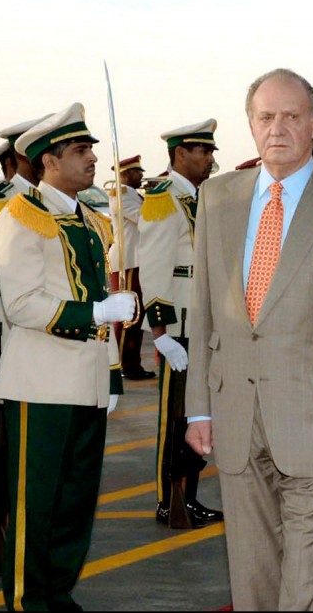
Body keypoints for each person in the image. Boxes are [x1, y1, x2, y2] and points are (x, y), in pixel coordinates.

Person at [184, 68, 313, 610]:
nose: (277, 128)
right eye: (266, 117)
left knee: (307, 578)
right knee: (251, 571)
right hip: (235, 416)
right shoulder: (216, 198)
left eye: (291, 117)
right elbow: (204, 312)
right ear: (251, 125)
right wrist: (198, 408)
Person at [0, 103, 135, 610]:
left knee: (75, 501)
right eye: (80, 150)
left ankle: (57, 593)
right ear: (49, 161)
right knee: (36, 503)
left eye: (91, 148)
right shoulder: (21, 216)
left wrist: (112, 375)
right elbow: (22, 303)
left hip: (87, 381)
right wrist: (96, 311)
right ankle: (28, 600)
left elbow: (99, 296)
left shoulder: (91, 220)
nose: (92, 158)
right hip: (42, 382)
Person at [139, 119, 222, 528]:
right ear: (180, 154)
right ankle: (167, 499)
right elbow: (153, 268)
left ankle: (189, 496)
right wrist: (161, 335)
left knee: (198, 415)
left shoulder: (201, 198)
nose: (210, 159)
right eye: (203, 151)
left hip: (204, 324)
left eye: (210, 151)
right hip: (180, 329)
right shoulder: (163, 199)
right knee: (174, 419)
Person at [0, 115, 50, 577]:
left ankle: (28, 545)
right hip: (1, 349)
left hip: (43, 349)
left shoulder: (53, 206)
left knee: (35, 456)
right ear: (18, 159)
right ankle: (0, 545)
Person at [107, 155, 155, 381]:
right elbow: (144, 219)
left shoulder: (132, 194)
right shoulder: (122, 194)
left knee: (135, 315)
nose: (141, 176)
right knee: (128, 316)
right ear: (125, 174)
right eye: (137, 172)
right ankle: (124, 364)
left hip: (135, 260)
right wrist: (155, 198)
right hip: (128, 261)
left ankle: (131, 363)